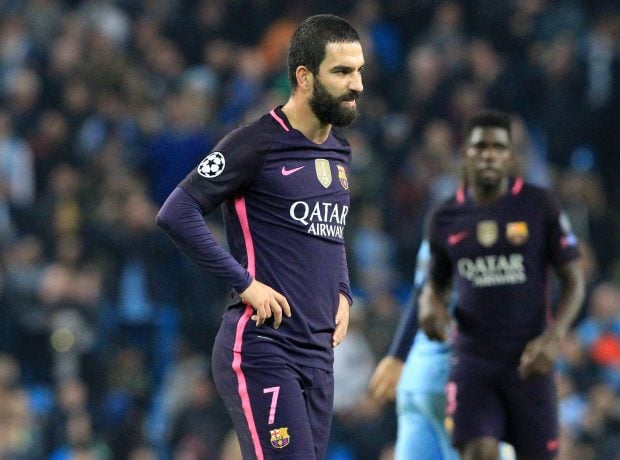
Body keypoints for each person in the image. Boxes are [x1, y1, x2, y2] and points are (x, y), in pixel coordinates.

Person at [156, 14, 364, 459]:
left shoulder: (339, 152)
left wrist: (343, 290)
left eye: (359, 70)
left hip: (318, 354)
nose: (357, 84)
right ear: (305, 77)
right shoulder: (255, 142)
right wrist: (244, 283)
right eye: (343, 72)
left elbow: (330, 233)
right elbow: (177, 211)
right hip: (265, 346)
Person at [418, 110, 585, 460]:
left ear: (510, 155)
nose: (489, 154)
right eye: (481, 146)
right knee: (480, 451)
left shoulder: (540, 205)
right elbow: (435, 282)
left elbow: (574, 281)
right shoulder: (445, 216)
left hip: (530, 358)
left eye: (498, 147)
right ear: (466, 153)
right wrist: (430, 306)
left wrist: (553, 340)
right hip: (473, 360)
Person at [369, 240, 458, 460]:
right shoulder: (481, 221)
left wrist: (397, 356)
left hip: (416, 374)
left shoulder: (439, 222)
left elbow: (421, 291)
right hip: (454, 373)